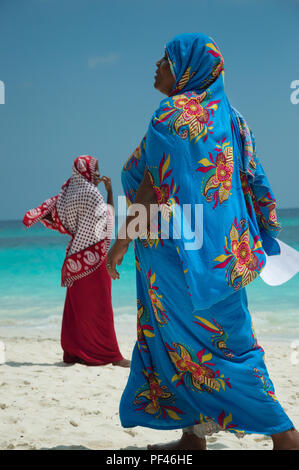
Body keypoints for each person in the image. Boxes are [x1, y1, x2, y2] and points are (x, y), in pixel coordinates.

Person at [106, 33, 299, 449]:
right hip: (222, 254)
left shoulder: (171, 115)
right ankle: (193, 435)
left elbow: (151, 187)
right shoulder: (229, 117)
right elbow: (253, 180)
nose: (157, 65)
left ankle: (284, 434)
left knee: (191, 344)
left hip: (174, 261)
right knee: (224, 342)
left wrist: (121, 241)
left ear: (188, 67)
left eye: (166, 59)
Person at [23, 155, 130, 368]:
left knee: (77, 309)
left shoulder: (68, 192)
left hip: (75, 259)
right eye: (95, 170)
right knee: (101, 309)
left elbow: (58, 215)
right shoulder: (91, 193)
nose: (98, 174)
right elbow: (107, 220)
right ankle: (111, 355)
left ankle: (76, 353)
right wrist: (109, 191)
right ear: (86, 171)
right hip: (95, 259)